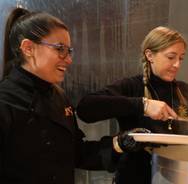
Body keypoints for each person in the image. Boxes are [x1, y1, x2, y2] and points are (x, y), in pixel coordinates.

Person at [0, 8, 149, 184]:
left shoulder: (59, 97)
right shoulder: (5, 100)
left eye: (69, 50)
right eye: (60, 49)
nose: (69, 59)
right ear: (28, 48)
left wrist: (120, 143)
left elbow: (76, 153)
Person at [77, 26, 188, 184]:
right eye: (171, 57)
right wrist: (142, 105)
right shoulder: (132, 86)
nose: (177, 65)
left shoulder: (183, 89)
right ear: (150, 55)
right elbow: (86, 108)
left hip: (176, 175)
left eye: (181, 58)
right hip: (134, 175)